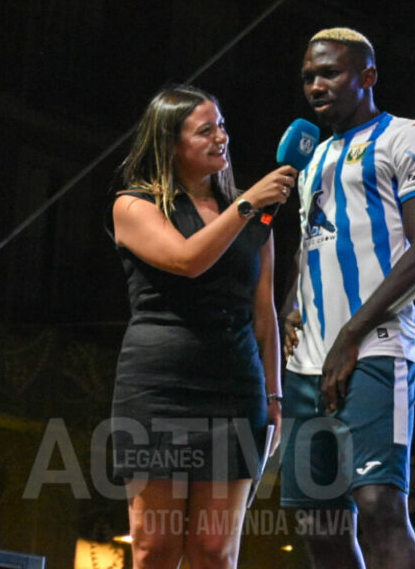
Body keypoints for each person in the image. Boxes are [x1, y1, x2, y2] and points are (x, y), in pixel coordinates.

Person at [279, 28, 415, 569]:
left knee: (378, 505)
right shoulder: (313, 156)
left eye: (329, 73)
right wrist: (290, 302)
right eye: (308, 76)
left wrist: (351, 333)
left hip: (376, 348)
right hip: (307, 361)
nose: (316, 85)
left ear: (367, 77)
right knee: (320, 523)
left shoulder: (407, 137)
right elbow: (317, 241)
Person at [110, 84, 298, 569]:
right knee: (155, 549)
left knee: (214, 551)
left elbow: (265, 315)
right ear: (171, 144)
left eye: (222, 126)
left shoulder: (256, 221)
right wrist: (247, 204)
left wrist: (275, 397)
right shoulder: (134, 206)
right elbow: (186, 259)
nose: (222, 138)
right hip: (158, 387)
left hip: (234, 388)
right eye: (205, 130)